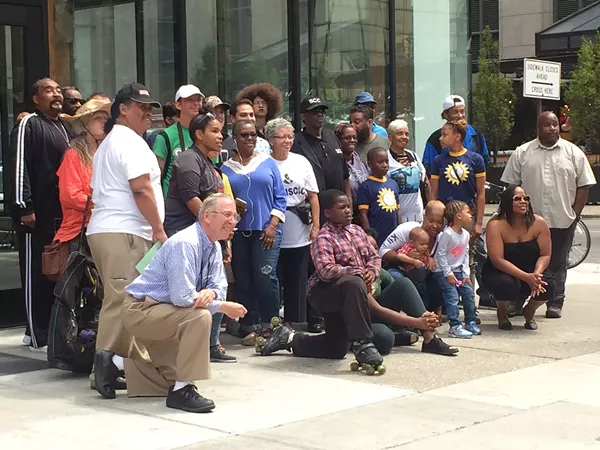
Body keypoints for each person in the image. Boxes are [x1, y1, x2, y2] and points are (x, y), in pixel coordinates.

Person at [122, 194, 248, 411]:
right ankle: (181, 391)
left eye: (235, 216)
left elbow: (220, 287)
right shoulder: (185, 242)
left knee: (168, 378)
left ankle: (113, 364)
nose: (233, 221)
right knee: (200, 316)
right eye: (227, 215)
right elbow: (182, 297)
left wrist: (210, 292)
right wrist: (222, 306)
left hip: (164, 310)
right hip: (141, 309)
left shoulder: (215, 246)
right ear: (207, 216)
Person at [86, 82, 165, 400]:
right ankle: (103, 367)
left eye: (150, 108)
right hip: (125, 231)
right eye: (140, 107)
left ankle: (119, 366)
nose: (147, 113)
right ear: (123, 109)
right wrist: (158, 229)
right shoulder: (128, 143)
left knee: (125, 300)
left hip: (113, 230)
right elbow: (142, 189)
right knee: (123, 301)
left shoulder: (109, 143)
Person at [256, 190, 384, 368]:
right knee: (354, 282)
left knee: (336, 348)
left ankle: (289, 338)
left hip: (350, 296)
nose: (348, 210)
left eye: (348, 206)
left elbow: (374, 257)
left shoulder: (357, 231)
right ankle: (363, 343)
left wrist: (371, 270)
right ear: (328, 213)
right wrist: (357, 271)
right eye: (342, 207)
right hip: (325, 293)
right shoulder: (323, 237)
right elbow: (326, 270)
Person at [501, 111, 595, 318]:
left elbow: (584, 185)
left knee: (558, 263)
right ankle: (518, 302)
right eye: (547, 125)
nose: (552, 128)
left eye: (555, 124)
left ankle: (555, 302)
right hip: (529, 223)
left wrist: (575, 214)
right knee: (524, 263)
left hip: (562, 220)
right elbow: (511, 186)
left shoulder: (573, 153)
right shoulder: (522, 152)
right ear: (538, 128)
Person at [163, 113, 236, 363]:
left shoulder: (209, 164)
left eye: (221, 132)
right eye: (215, 131)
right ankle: (190, 346)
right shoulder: (187, 160)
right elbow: (193, 200)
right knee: (187, 294)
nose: (221, 137)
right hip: (182, 235)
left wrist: (222, 237)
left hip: (207, 236)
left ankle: (211, 344)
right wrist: (220, 229)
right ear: (198, 134)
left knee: (216, 286)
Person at [11, 78, 76, 351]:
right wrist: (23, 206)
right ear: (36, 99)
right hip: (36, 215)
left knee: (56, 273)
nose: (56, 94)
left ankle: (52, 331)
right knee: (36, 274)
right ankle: (35, 332)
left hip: (63, 216)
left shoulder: (65, 126)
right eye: (49, 91)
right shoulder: (30, 124)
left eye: (58, 90)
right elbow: (19, 164)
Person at [221, 120, 286, 340]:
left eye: (252, 135)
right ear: (235, 138)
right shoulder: (226, 169)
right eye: (244, 135)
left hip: (266, 230)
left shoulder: (268, 163)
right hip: (239, 232)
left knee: (265, 277)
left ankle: (273, 324)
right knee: (244, 278)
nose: (249, 139)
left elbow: (280, 197)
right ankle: (250, 324)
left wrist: (272, 225)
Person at [364, 229, 458, 356]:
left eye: (375, 247)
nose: (373, 252)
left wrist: (427, 318)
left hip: (378, 317)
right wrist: (416, 322)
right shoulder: (356, 273)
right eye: (368, 248)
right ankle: (395, 337)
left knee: (404, 283)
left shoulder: (379, 272)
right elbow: (377, 310)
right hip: (361, 321)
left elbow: (403, 294)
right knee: (385, 338)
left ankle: (430, 338)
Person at [267, 118, 320, 326]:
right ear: (271, 140)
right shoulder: (264, 162)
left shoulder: (301, 161)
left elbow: (313, 196)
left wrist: (316, 226)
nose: (287, 141)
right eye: (282, 137)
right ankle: (273, 323)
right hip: (273, 230)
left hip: (300, 229)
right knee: (274, 278)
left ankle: (296, 322)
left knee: (297, 279)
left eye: (290, 136)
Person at [482, 185, 556, 330]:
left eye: (526, 198)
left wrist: (536, 274)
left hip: (531, 268)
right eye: (517, 199)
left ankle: (530, 310)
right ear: (507, 202)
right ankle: (502, 312)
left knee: (549, 285)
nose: (523, 201)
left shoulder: (539, 223)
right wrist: (525, 277)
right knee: (507, 284)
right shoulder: (496, 225)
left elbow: (545, 254)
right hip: (502, 270)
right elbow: (497, 260)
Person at [54, 98, 111, 251]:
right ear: (84, 126)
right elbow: (71, 196)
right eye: (98, 118)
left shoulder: (111, 153)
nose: (104, 122)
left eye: (106, 118)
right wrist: (107, 203)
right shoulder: (73, 156)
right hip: (79, 231)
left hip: (109, 228)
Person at [379, 201, 446, 313]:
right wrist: (405, 258)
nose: (435, 226)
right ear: (424, 217)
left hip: (422, 275)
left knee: (441, 284)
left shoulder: (443, 238)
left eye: (439, 222)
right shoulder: (408, 229)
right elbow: (383, 252)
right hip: (399, 269)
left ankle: (428, 312)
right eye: (431, 221)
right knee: (398, 280)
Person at [292, 97, 352, 213]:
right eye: (315, 112)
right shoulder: (297, 142)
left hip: (339, 208)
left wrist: (349, 203)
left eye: (322, 111)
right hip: (314, 207)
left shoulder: (331, 137)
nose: (320, 114)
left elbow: (345, 175)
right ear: (303, 116)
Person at [430, 119, 486, 238]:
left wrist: (479, 223)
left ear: (457, 136)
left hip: (467, 213)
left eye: (445, 135)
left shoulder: (476, 159)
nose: (441, 138)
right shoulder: (438, 161)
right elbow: (433, 192)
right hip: (444, 215)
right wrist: (432, 216)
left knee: (465, 250)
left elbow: (481, 193)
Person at [431, 200, 479, 338]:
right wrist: (448, 273)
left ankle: (470, 322)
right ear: (458, 216)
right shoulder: (447, 234)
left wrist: (465, 274)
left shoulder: (465, 234)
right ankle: (455, 326)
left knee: (469, 293)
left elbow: (465, 254)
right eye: (468, 212)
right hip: (443, 271)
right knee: (452, 296)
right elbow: (440, 254)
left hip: (458, 270)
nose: (470, 216)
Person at [153, 84, 204, 197]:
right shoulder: (165, 137)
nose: (196, 104)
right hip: (174, 208)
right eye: (190, 100)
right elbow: (155, 177)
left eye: (198, 100)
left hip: (203, 204)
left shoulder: (207, 134)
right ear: (178, 105)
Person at [422, 95, 490, 175]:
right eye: (455, 112)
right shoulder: (435, 139)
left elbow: (485, 163)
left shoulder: (476, 134)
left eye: (462, 111)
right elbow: (429, 170)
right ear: (446, 114)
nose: (460, 115)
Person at [357, 147, 401, 246]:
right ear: (370, 164)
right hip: (377, 233)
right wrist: (368, 234)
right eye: (380, 162)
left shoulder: (393, 184)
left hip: (393, 234)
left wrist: (399, 228)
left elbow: (398, 210)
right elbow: (363, 214)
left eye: (386, 161)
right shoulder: (365, 186)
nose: (385, 165)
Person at [387, 119, 428, 222]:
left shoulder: (413, 155)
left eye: (406, 134)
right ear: (390, 137)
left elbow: (425, 181)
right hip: (397, 216)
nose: (404, 137)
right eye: (400, 134)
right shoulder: (385, 158)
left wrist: (430, 206)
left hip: (418, 215)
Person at [334, 123, 369, 212]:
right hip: (348, 213)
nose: (352, 140)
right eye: (347, 138)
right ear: (338, 140)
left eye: (354, 137)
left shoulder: (360, 161)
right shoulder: (335, 163)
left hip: (366, 212)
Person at [204, 96, 235, 161]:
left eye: (221, 112)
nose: (220, 116)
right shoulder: (200, 141)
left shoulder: (232, 141)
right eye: (213, 112)